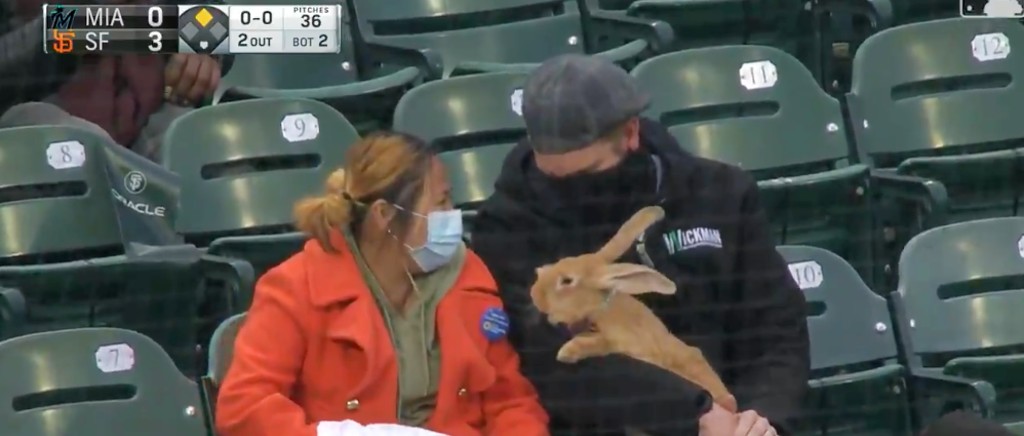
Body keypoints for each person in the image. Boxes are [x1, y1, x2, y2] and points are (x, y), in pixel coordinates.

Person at [471, 54, 810, 436]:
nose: (572, 191)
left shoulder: (720, 193)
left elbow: (776, 326)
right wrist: (693, 412)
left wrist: (761, 418)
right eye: (554, 178)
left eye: (588, 174)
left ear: (631, 133)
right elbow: (549, 359)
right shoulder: (506, 229)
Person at [216, 132, 549, 436]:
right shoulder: (295, 287)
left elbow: (510, 401)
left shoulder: (468, 273)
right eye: (440, 202)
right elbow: (244, 409)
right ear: (384, 215)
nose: (453, 215)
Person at [0, 0, 230, 162]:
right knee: (80, 146)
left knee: (205, 141)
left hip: (150, 125)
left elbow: (215, 20)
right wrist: (65, 29)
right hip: (31, 138)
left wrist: (204, 50)